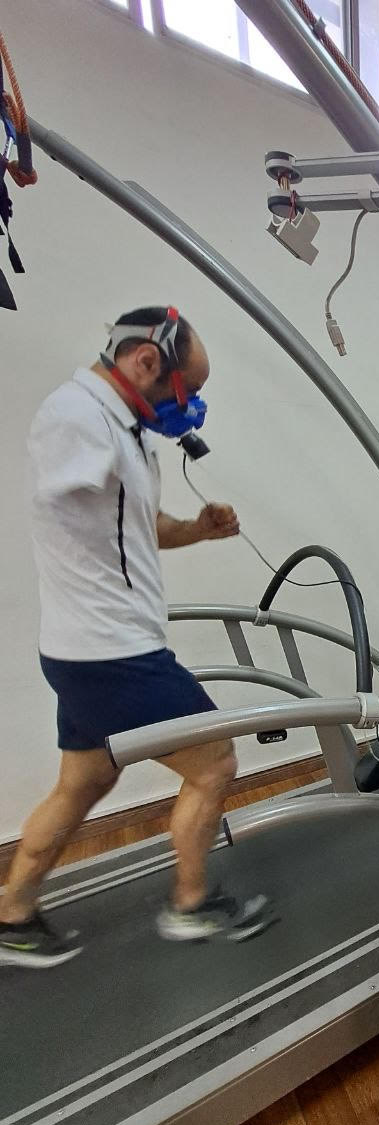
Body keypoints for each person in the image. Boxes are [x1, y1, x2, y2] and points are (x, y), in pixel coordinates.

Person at [0, 306, 269, 968]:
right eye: (188, 390)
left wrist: (198, 529)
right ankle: (191, 904)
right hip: (113, 653)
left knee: (83, 783)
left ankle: (12, 913)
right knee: (215, 763)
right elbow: (59, 503)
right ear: (146, 362)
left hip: (87, 651)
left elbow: (137, 527)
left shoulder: (124, 426)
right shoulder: (78, 416)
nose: (192, 406)